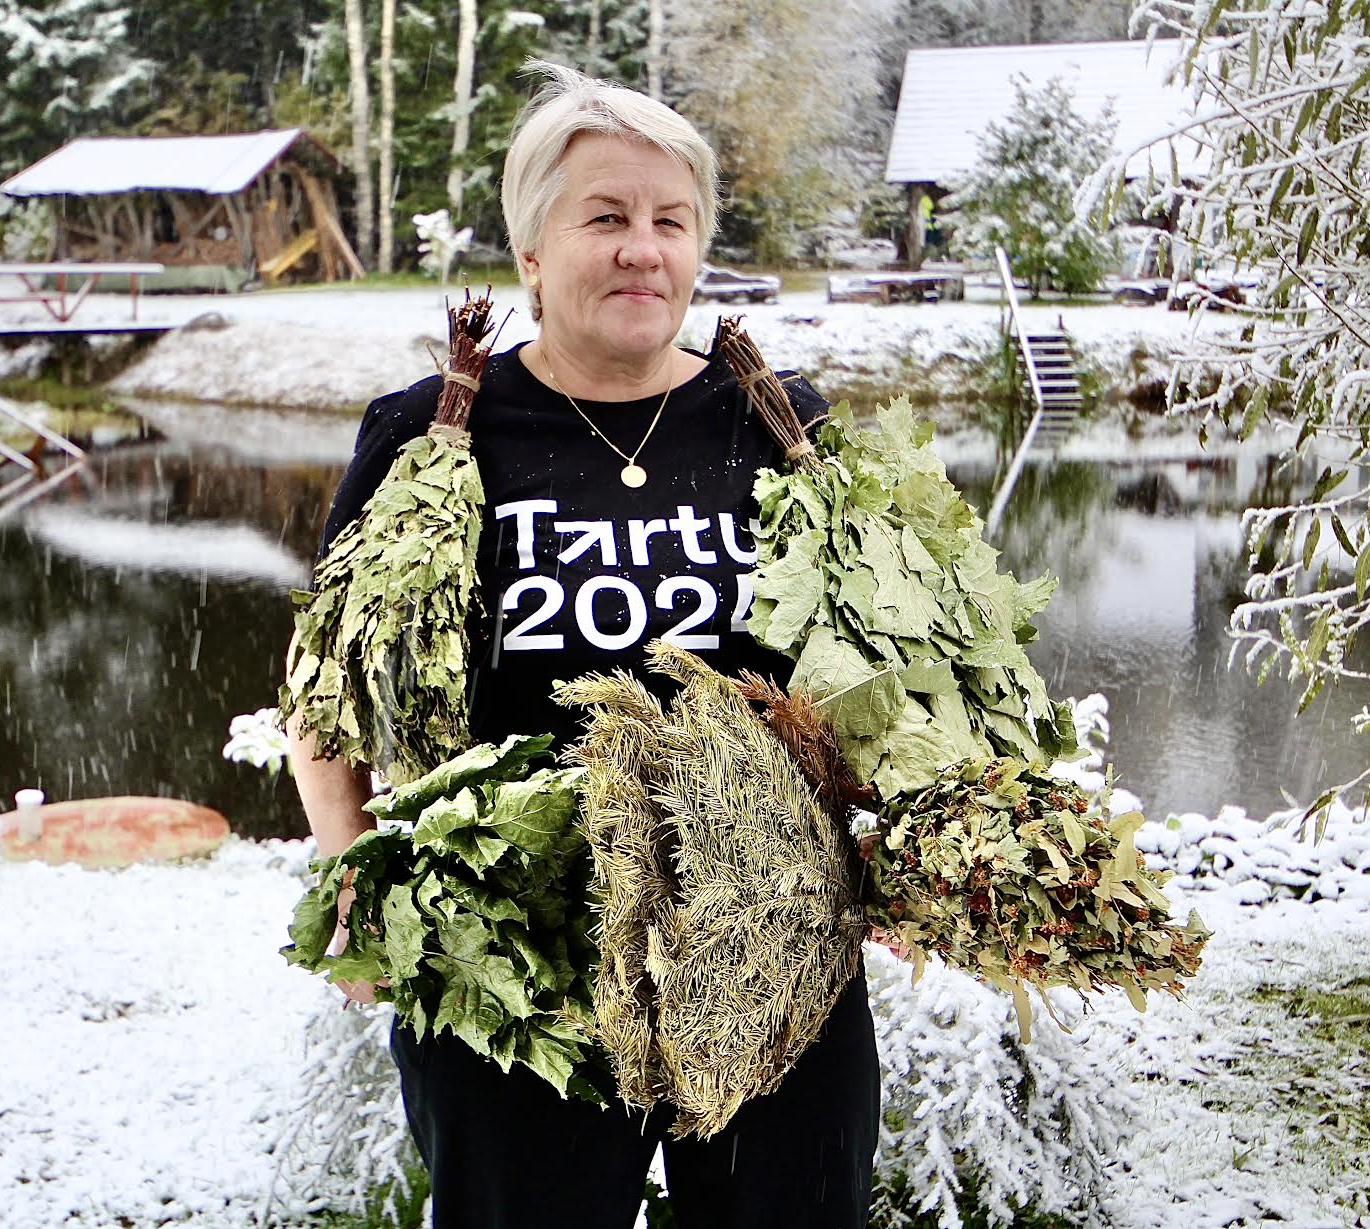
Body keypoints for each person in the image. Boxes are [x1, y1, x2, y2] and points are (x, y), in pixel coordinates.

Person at [286, 61, 880, 1229]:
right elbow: (329, 690)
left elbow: (874, 664)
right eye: (603, 217)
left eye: (669, 221)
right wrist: (351, 871)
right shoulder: (430, 431)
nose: (640, 250)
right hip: (515, 938)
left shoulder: (779, 422)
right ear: (530, 251)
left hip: (770, 927)